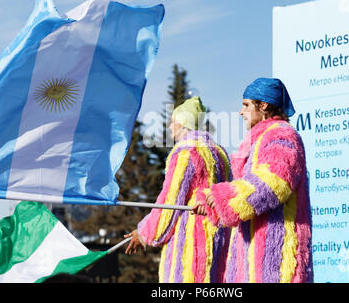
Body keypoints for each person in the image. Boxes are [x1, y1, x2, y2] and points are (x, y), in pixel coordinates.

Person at [193, 78, 313, 283]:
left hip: (276, 259)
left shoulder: (282, 134)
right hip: (250, 256)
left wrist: (223, 198)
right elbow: (239, 189)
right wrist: (211, 201)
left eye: (246, 105)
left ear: (263, 105)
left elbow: (274, 181)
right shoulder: (254, 141)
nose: (241, 112)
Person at [124, 96, 232, 283]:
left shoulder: (186, 152)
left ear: (183, 124)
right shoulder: (220, 153)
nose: (170, 128)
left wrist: (143, 234)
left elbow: (170, 201)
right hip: (220, 244)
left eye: (173, 122)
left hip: (192, 247)